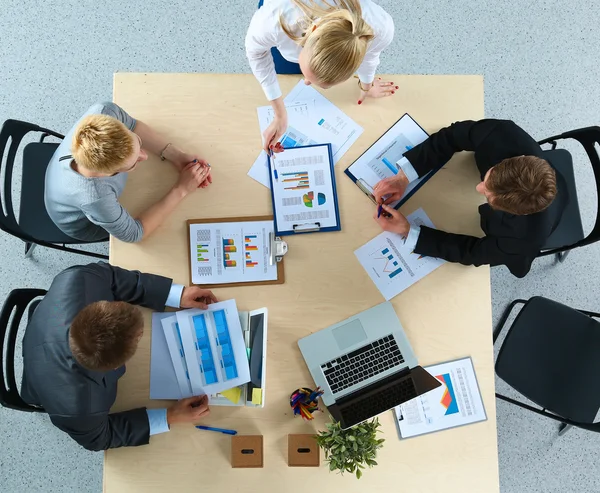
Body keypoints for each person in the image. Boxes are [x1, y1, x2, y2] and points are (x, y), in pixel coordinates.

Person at [20, 262, 217, 451]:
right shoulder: (78, 411)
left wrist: (175, 295)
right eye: (139, 336)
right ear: (115, 366)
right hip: (42, 379)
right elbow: (101, 438)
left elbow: (114, 278)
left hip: (45, 326)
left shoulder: (80, 278)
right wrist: (170, 416)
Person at [372, 119, 567, 278]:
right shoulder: (503, 133)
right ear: (511, 160)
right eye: (489, 177)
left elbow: (473, 253)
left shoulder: (526, 238)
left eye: (488, 196)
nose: (478, 187)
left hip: (548, 217)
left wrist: (408, 231)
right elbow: (452, 136)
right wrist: (404, 177)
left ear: (513, 213)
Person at [45, 102, 213, 243]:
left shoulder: (104, 111)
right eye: (133, 163)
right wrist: (182, 188)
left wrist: (175, 155)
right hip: (82, 225)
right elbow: (134, 234)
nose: (145, 155)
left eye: (138, 143)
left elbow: (132, 124)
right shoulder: (95, 198)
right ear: (107, 173)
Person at [246, 0, 395, 152]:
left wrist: (366, 85)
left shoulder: (380, 28)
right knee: (283, 66)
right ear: (312, 31)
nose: (305, 82)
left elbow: (370, 56)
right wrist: (279, 114)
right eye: (308, 76)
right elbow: (257, 52)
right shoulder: (273, 21)